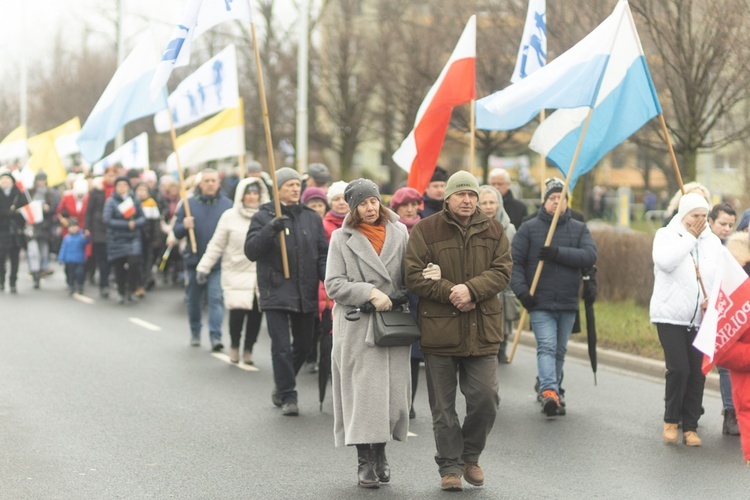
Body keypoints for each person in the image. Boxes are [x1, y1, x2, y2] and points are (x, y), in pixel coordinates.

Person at [404, 171, 512, 491]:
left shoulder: (494, 230)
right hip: (439, 331)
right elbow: (413, 274)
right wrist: (453, 291)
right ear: (447, 198)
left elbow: (502, 272)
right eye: (461, 195)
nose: (467, 200)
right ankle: (449, 466)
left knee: (486, 398)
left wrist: (472, 290)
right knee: (443, 408)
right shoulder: (426, 229)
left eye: (472, 195)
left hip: (483, 328)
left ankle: (470, 455)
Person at [324, 178, 411, 489]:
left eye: (373, 201)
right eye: (363, 203)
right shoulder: (340, 237)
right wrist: (370, 292)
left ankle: (381, 452)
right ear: (353, 208)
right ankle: (364, 460)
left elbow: (409, 272)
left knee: (389, 393)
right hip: (357, 325)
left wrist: (426, 275)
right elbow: (333, 284)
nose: (370, 207)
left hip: (392, 323)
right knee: (363, 394)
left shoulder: (400, 232)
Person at [510, 178, 597, 417]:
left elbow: (589, 255)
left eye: (562, 198)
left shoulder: (578, 228)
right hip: (539, 301)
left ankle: (554, 389)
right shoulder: (529, 228)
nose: (557, 202)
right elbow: (514, 263)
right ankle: (549, 391)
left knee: (559, 350)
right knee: (546, 347)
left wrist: (558, 253)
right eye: (552, 198)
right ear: (544, 201)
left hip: (568, 301)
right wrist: (522, 292)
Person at [245, 167, 328, 417]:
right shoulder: (263, 216)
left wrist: (329, 278)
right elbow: (251, 251)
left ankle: (281, 384)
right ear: (277, 189)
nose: (295, 189)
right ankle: (289, 394)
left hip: (305, 291)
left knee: (303, 345)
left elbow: (322, 253)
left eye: (297, 184)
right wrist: (270, 229)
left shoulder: (311, 218)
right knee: (280, 346)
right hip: (276, 291)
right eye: (289, 185)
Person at [650, 193, 723, 446]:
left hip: (701, 318)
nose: (700, 221)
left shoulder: (712, 242)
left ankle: (690, 428)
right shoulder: (666, 235)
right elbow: (665, 262)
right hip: (670, 316)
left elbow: (717, 276)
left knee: (697, 374)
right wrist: (690, 238)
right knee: (679, 369)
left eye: (704, 216)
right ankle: (671, 421)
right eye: (695, 216)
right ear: (683, 215)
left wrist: (711, 302)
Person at [197, 178, 269, 365]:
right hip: (236, 272)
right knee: (237, 314)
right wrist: (204, 266)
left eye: (255, 194)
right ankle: (235, 346)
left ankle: (248, 350)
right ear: (241, 196)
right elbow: (216, 244)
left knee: (255, 315)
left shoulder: (266, 216)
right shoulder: (229, 216)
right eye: (248, 194)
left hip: (259, 274)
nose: (252, 197)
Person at [173, 169, 233, 350]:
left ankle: (216, 336)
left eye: (213, 180)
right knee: (194, 300)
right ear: (200, 184)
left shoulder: (227, 205)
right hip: (194, 260)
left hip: (217, 262)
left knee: (215, 299)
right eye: (206, 180)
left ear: (218, 183)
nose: (210, 184)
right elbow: (176, 232)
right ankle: (195, 332)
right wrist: (184, 225)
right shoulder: (188, 204)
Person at [390, 186, 423, 418]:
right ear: (396, 208)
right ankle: (392, 400)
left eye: (414, 204)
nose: (410, 210)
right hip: (397, 299)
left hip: (420, 300)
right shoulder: (391, 230)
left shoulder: (426, 228)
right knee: (394, 353)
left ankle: (408, 403)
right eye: (405, 205)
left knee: (414, 356)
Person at [707, 202, 740, 436]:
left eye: (731, 225)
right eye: (722, 224)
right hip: (700, 313)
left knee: (727, 367)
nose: (727, 229)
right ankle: (682, 413)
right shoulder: (702, 245)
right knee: (689, 368)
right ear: (711, 222)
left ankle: (731, 415)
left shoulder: (734, 249)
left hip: (726, 314)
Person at [478, 185, 518, 362]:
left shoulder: (509, 229)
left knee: (502, 316)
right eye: (484, 202)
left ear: (499, 204)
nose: (488, 206)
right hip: (480, 279)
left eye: (492, 202)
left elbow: (513, 256)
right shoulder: (473, 227)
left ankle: (501, 347)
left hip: (503, 281)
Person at [103, 176, 146, 304]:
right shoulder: (110, 202)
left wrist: (135, 224)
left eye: (124, 185)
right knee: (119, 267)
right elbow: (107, 220)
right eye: (119, 185)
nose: (122, 188)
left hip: (133, 238)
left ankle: (131, 289)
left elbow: (142, 218)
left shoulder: (135, 200)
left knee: (134, 262)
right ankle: (121, 291)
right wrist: (126, 225)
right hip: (117, 238)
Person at [86, 167, 117, 298]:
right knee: (102, 258)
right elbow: (89, 211)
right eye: (109, 175)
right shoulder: (97, 191)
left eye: (113, 175)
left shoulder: (118, 192)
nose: (111, 178)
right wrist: (87, 228)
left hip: (114, 229)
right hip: (99, 228)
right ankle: (103, 284)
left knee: (111, 259)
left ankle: (108, 280)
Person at [27, 171, 58, 288]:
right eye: (39, 180)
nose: (41, 182)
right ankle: (35, 274)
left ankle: (40, 270)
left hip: (45, 227)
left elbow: (54, 209)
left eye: (43, 180)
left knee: (43, 253)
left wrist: (47, 209)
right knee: (33, 252)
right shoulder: (30, 192)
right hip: (33, 226)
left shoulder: (50, 193)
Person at [0, 170, 28, 294]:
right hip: (2, 230)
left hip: (16, 231)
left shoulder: (20, 194)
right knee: (1, 258)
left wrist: (16, 216)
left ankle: (13, 281)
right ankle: (1, 280)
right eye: (2, 179)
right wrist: (8, 213)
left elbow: (26, 212)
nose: (4, 181)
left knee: (14, 258)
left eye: (7, 179)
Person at [134, 182, 161, 296]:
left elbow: (156, 222)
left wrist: (156, 237)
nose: (141, 193)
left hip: (147, 238)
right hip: (135, 237)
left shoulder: (151, 203)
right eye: (139, 190)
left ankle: (145, 281)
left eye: (144, 190)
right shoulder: (133, 203)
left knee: (147, 260)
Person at [57, 218, 90, 295]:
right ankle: (71, 286)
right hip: (69, 260)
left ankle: (80, 286)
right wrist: (61, 258)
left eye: (75, 226)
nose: (73, 228)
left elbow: (87, 241)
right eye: (71, 227)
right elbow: (63, 249)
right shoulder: (67, 238)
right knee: (69, 274)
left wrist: (86, 236)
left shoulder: (82, 236)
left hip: (79, 260)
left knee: (80, 273)